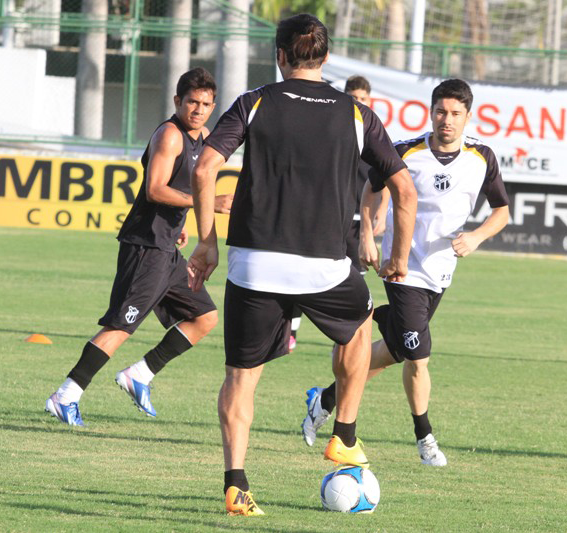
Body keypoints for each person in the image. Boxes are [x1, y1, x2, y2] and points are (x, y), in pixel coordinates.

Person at [186, 14, 417, 516]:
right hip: (324, 266)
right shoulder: (356, 113)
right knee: (360, 327)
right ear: (326, 58)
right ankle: (344, 436)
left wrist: (207, 244)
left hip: (252, 265)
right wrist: (398, 257)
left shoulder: (254, 102)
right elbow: (404, 189)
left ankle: (236, 486)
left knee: (241, 377)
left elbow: (205, 168)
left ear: (280, 56)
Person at [300, 78, 510, 466]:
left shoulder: (482, 157)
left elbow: (502, 211)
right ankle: (424, 438)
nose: (447, 120)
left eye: (456, 113)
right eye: (441, 112)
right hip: (402, 268)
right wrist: (368, 234)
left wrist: (477, 236)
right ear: (431, 112)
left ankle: (327, 395)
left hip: (440, 272)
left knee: (396, 349)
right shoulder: (404, 152)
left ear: (468, 116)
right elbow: (371, 190)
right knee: (418, 357)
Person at [45, 68, 232, 426]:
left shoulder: (204, 137)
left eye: (206, 104)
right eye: (192, 102)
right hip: (145, 245)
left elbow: (183, 189)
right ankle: (65, 396)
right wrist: (206, 203)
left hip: (166, 247)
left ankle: (139, 375)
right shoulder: (170, 135)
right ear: (177, 101)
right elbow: (155, 189)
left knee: (205, 317)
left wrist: (181, 223)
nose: (198, 110)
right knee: (121, 325)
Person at [288, 74, 383, 352]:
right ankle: (291, 331)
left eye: (363, 98)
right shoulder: (332, 127)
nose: (358, 102)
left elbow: (387, 176)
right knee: (304, 273)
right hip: (329, 218)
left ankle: (344, 340)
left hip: (358, 222)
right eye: (353, 98)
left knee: (354, 282)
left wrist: (381, 211)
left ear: (370, 100)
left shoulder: (373, 133)